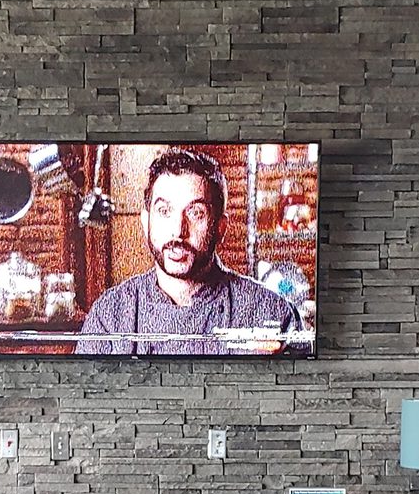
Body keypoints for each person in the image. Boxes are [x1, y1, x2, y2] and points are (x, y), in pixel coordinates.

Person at [75, 147, 305, 356]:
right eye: (164, 211)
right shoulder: (110, 316)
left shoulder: (270, 313)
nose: (178, 231)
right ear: (146, 222)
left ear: (220, 227)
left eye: (196, 213)